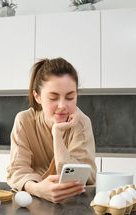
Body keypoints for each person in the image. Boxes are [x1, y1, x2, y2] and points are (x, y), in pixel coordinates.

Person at [7, 57, 97, 203]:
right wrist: (38, 189)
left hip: (74, 204)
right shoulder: (24, 121)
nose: (62, 105)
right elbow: (17, 170)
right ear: (37, 97)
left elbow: (78, 177)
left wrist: (57, 134)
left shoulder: (82, 123)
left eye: (70, 97)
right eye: (53, 98)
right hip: (32, 201)